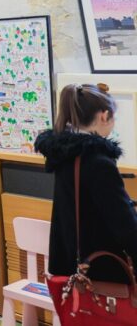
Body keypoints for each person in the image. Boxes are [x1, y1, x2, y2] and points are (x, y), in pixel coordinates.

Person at [35, 83, 137, 284]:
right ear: (103, 115)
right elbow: (125, 226)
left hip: (68, 266)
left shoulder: (65, 155)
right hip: (99, 272)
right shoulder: (98, 162)